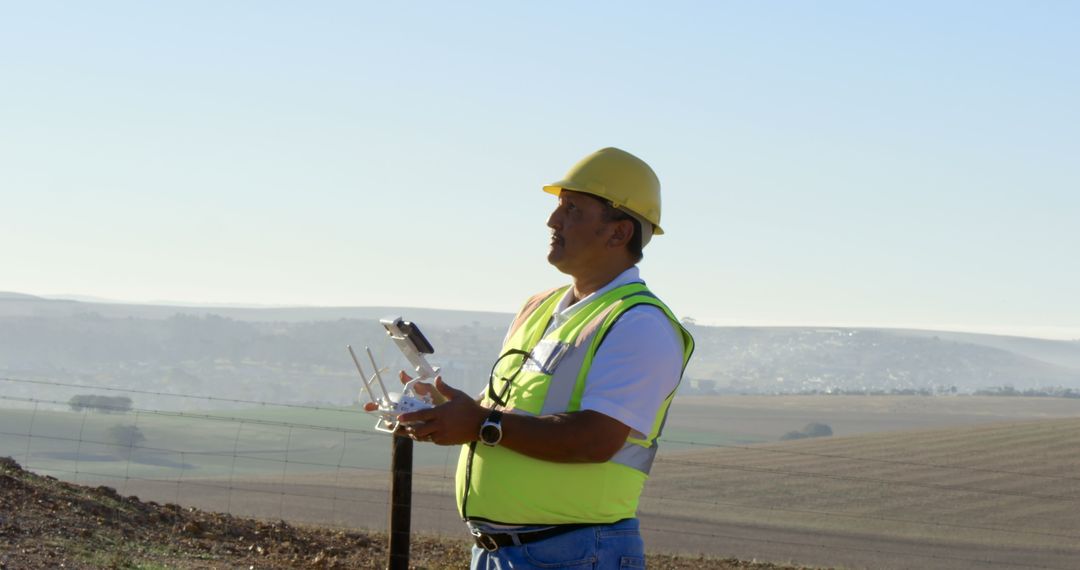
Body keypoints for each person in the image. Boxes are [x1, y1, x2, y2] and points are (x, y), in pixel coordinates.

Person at [395, 147, 694, 569]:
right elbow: (514, 414)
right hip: (500, 552)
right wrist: (447, 412)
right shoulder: (538, 307)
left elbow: (597, 438)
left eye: (572, 210)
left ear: (618, 233)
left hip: (576, 554)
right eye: (557, 208)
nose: (552, 221)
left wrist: (481, 423)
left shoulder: (639, 324)